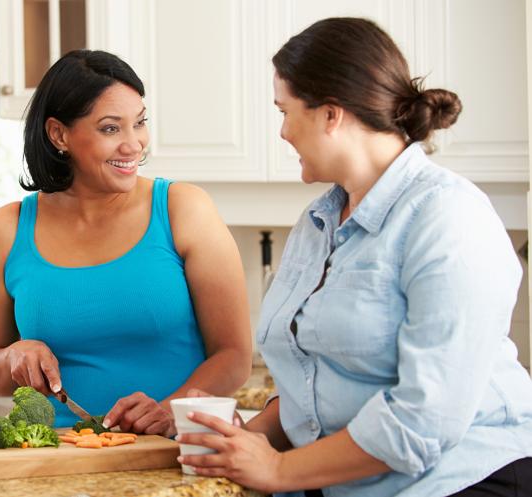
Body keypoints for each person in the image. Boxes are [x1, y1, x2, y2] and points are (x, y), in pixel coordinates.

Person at [177, 17, 532, 497]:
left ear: (331, 113)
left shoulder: (449, 217)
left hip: (464, 481)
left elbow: (425, 420)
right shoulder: (318, 222)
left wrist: (279, 471)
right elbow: (313, 382)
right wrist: (242, 439)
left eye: (285, 111)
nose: (282, 132)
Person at [0, 50, 252, 434]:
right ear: (59, 134)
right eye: (110, 128)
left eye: (140, 123)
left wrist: (169, 410)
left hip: (171, 453)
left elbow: (234, 356)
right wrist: (12, 357)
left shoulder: (183, 210)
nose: (134, 144)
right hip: (59, 461)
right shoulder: (7, 229)